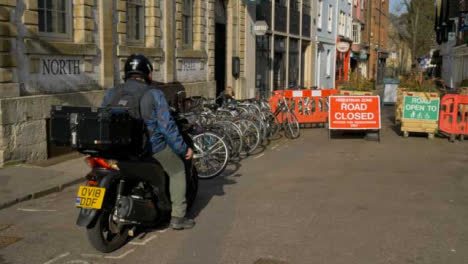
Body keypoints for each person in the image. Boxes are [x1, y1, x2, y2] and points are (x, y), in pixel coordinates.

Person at [102, 54, 195, 230]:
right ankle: (178, 217)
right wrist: (184, 150)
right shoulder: (153, 93)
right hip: (149, 148)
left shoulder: (112, 92)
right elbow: (167, 127)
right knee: (177, 169)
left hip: (116, 148)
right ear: (148, 74)